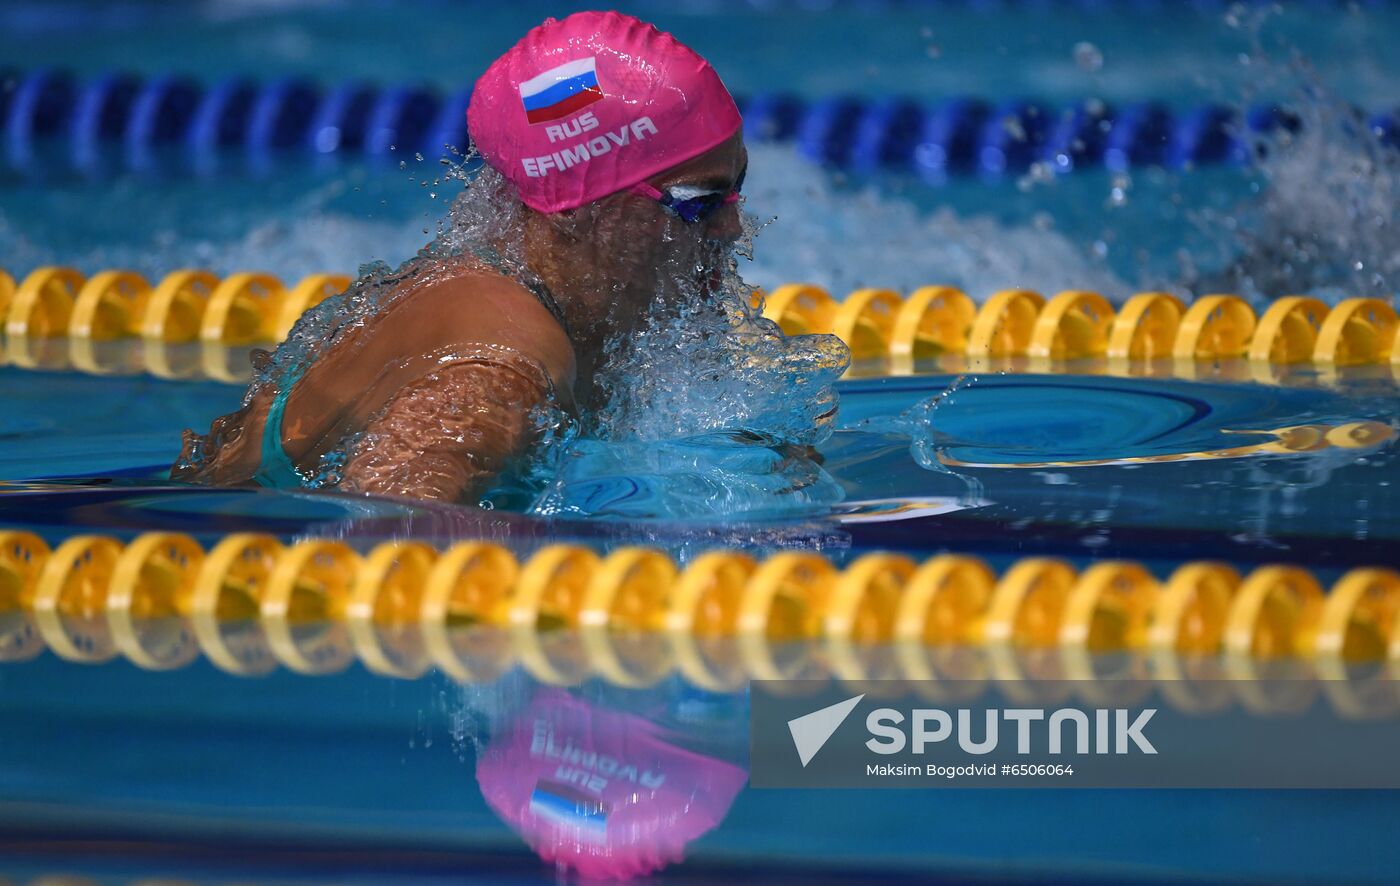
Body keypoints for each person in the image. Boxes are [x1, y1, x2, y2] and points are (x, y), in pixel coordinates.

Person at [172, 10, 747, 504]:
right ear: (578, 207)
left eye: (737, 188)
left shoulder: (532, 302)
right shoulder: (499, 372)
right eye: (700, 203)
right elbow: (379, 547)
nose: (733, 225)